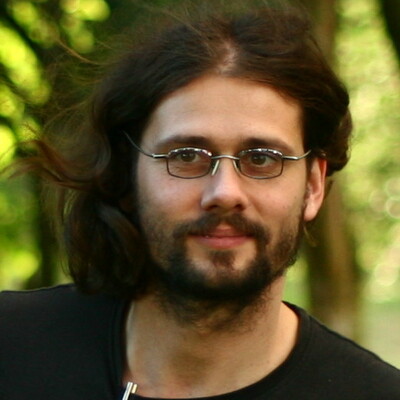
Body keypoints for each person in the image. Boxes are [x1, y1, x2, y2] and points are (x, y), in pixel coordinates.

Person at [1, 1, 399, 399]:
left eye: (262, 159)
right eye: (186, 156)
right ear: (127, 176)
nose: (224, 192)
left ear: (313, 186)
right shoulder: (12, 348)